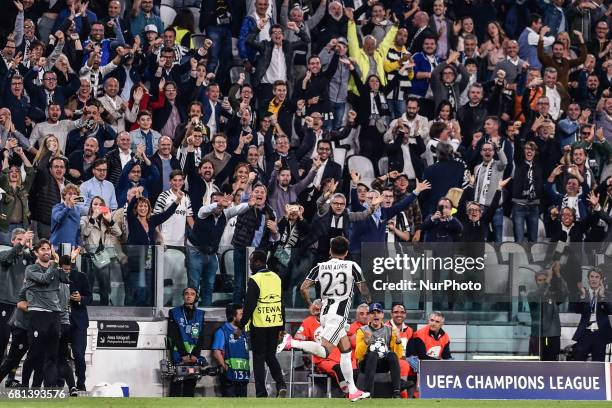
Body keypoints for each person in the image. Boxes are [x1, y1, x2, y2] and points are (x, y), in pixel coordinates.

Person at [277, 236, 372, 402]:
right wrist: (369, 301)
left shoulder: (320, 266)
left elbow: (303, 288)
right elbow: (363, 288)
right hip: (338, 315)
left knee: (346, 350)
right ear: (347, 252)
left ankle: (352, 390)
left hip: (326, 314)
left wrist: (309, 305)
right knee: (325, 351)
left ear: (330, 251)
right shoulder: (352, 266)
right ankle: (291, 342)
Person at [20, 239, 71, 387]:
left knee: (51, 355)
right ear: (36, 252)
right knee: (34, 354)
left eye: (48, 249)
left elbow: (66, 279)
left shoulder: (54, 268)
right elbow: (44, 279)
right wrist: (54, 265)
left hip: (54, 315)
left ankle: (49, 389)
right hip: (38, 314)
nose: (46, 251)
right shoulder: (31, 269)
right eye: (43, 249)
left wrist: (59, 263)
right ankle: (24, 387)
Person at [237, 250, 287, 398]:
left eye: (251, 261)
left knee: (258, 359)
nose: (250, 264)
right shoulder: (276, 277)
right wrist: (282, 327)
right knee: (271, 356)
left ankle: (261, 393)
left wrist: (241, 325)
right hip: (275, 322)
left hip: (259, 325)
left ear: (258, 262)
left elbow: (249, 305)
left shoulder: (255, 279)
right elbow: (281, 303)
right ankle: (281, 384)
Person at [0, 228, 34, 387]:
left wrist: (31, 247)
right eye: (19, 239)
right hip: (5, 303)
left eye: (25, 240)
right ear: (13, 241)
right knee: (2, 341)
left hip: (22, 305)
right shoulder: (4, 254)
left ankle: (10, 378)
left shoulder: (28, 258)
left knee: (18, 344)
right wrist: (21, 244)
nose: (23, 242)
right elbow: (7, 259)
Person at [355, 303, 403, 398]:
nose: (375, 315)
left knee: (392, 355)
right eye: (372, 313)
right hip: (366, 364)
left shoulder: (390, 330)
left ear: (382, 315)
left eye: (378, 312)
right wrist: (365, 341)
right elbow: (358, 356)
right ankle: (367, 392)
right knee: (372, 355)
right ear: (369, 316)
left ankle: (397, 392)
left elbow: (398, 355)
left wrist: (398, 340)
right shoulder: (362, 330)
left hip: (382, 364)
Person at [167, 287, 207, 397]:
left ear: (196, 297)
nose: (189, 296)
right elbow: (173, 335)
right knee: (175, 390)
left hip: (193, 357)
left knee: (189, 391)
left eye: (192, 294)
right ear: (183, 296)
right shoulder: (174, 312)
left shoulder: (201, 314)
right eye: (186, 293)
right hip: (179, 356)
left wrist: (195, 355)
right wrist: (184, 354)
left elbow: (201, 337)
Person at [527, 262, 568, 361]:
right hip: (538, 335)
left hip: (553, 335)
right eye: (539, 280)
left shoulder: (553, 296)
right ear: (536, 282)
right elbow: (540, 296)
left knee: (552, 364)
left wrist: (557, 274)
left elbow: (565, 293)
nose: (542, 282)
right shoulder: (532, 295)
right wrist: (548, 281)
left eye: (544, 280)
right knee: (536, 364)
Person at [572, 268, 612, 362]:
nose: (594, 279)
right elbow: (576, 310)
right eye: (592, 277)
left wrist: (602, 297)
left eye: (597, 277)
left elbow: (610, 310)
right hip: (585, 332)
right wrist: (582, 297)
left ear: (601, 280)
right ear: (588, 279)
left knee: (598, 362)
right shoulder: (582, 293)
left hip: (600, 333)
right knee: (579, 360)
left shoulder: (607, 294)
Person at [212, 303, 250, 397]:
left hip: (243, 377)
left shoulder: (243, 332)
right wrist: (225, 367)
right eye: (241, 314)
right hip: (229, 378)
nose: (244, 317)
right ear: (233, 316)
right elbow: (216, 352)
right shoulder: (222, 331)